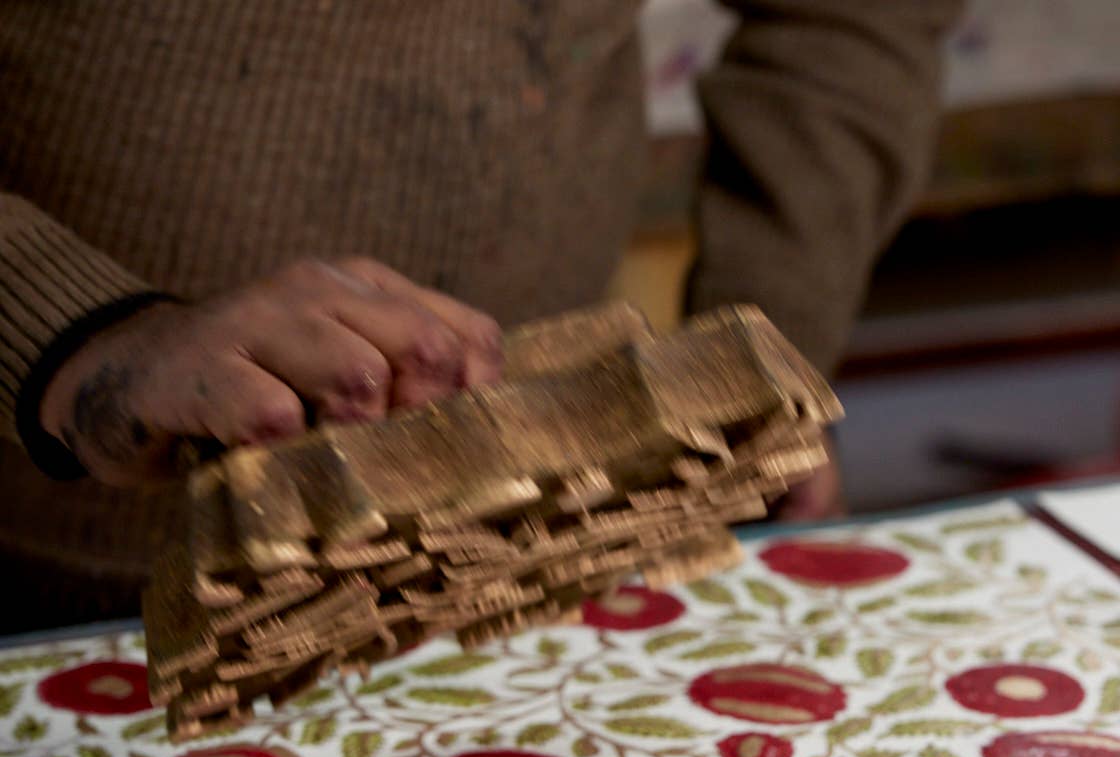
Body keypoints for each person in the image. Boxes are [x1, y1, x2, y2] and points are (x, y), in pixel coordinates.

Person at [0, 1, 963, 634]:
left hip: (535, 553)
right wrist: (72, 333)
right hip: (57, 576)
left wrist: (766, 344)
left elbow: (854, 16)